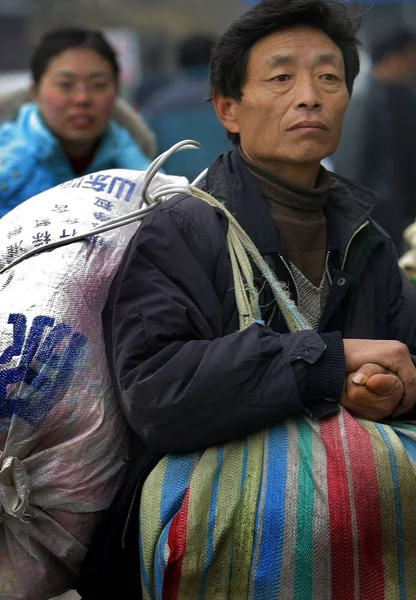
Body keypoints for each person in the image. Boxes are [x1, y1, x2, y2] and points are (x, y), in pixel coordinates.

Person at [78, 1, 416, 597]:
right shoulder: (181, 231)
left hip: (358, 551)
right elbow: (158, 390)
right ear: (228, 109)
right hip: (218, 544)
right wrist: (326, 365)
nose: (309, 95)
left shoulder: (370, 239)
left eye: (329, 77)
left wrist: (398, 387)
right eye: (281, 77)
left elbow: (405, 351)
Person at [0, 28, 153, 218]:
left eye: (98, 85)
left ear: (115, 92)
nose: (82, 98)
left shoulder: (143, 173)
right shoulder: (6, 167)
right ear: (34, 92)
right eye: (65, 84)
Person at [332, 28, 416, 251]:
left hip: (403, 211)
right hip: (378, 214)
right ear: (394, 57)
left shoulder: (404, 95)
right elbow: (350, 164)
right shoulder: (363, 102)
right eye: (411, 55)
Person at [142, 33, 231, 181]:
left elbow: (147, 150)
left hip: (175, 192)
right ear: (218, 59)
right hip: (230, 188)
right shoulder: (233, 99)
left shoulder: (158, 103)